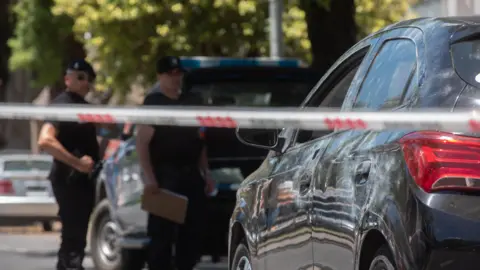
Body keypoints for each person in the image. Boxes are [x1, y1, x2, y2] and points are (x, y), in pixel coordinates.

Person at [136, 55, 215, 270]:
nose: (175, 79)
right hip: (165, 178)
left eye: (178, 74)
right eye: (170, 75)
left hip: (191, 176)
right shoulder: (153, 104)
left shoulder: (192, 102)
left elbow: (200, 142)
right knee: (162, 237)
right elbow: (142, 144)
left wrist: (206, 173)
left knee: (193, 235)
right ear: (160, 76)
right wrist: (150, 178)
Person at [37, 59, 99, 270]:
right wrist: (77, 164)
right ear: (67, 79)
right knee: (73, 234)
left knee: (77, 235)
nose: (85, 83)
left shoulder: (83, 107)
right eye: (80, 77)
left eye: (88, 79)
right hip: (69, 179)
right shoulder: (62, 105)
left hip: (83, 181)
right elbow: (45, 140)